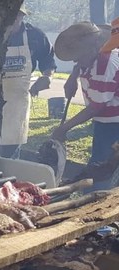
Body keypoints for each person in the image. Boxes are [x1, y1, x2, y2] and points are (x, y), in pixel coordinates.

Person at [51, 20, 119, 188]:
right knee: (99, 161)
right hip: (105, 122)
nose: (77, 62)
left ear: (94, 48)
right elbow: (81, 64)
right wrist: (72, 77)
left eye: (79, 57)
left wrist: (64, 128)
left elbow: (96, 107)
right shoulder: (89, 58)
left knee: (103, 168)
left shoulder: (105, 64)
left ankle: (96, 200)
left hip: (115, 123)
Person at [0, 5, 56, 158]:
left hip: (17, 102)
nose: (11, 20)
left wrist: (47, 76)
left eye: (15, 16)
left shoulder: (35, 36)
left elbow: (48, 60)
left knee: (10, 152)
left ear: (21, 16)